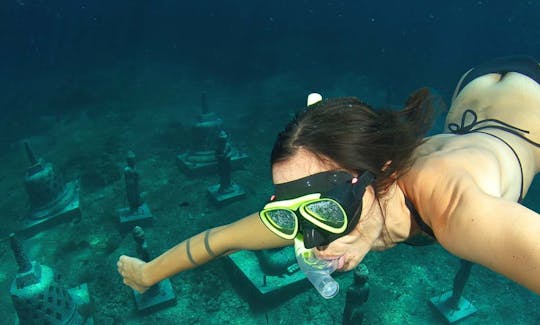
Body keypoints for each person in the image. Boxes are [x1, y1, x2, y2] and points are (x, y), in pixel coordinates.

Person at [117, 55, 540, 295]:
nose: (314, 241)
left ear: (380, 174)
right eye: (290, 214)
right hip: (473, 97)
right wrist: (146, 273)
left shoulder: (456, 210)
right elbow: (219, 238)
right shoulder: (317, 217)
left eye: (327, 208)